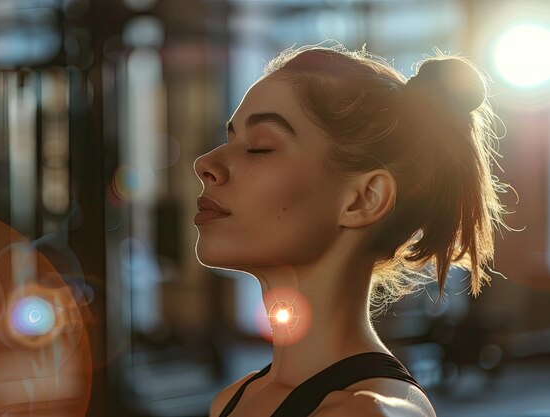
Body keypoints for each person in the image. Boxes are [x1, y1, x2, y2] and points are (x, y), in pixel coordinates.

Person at [193, 42, 515, 417]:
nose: (205, 163)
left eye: (260, 147)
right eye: (229, 138)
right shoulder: (234, 399)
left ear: (364, 199)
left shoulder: (368, 413)